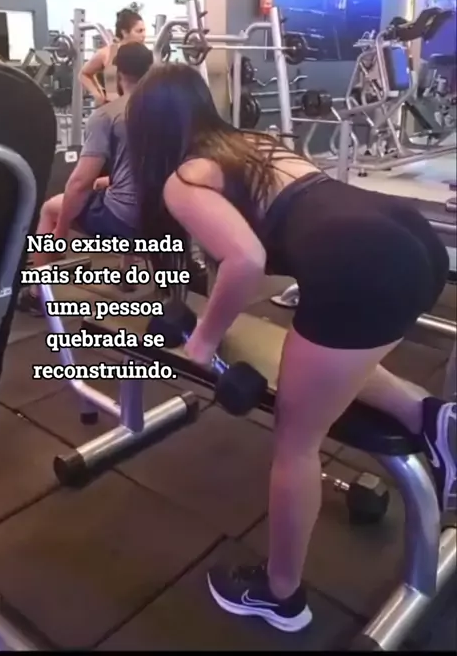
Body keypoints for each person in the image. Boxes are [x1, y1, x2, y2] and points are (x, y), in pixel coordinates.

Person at [125, 62, 456, 633]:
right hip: (411, 241)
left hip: (362, 264)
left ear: (147, 129)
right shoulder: (253, 143)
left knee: (295, 441)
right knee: (333, 360)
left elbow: (245, 260)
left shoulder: (183, 178)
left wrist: (203, 341)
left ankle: (280, 596)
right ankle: (431, 418)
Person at [18, 42, 153, 315]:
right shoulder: (170, 112)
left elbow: (79, 184)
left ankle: (36, 294)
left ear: (118, 72)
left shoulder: (107, 115)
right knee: (112, 189)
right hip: (164, 215)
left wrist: (61, 231)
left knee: (51, 209)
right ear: (150, 70)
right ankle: (127, 273)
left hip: (124, 220)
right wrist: (111, 182)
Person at [79, 8, 146, 105]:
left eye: (144, 31)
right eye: (139, 31)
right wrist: (98, 95)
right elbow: (84, 74)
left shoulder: (145, 54)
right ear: (124, 32)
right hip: (112, 107)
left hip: (138, 106)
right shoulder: (108, 53)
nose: (144, 35)